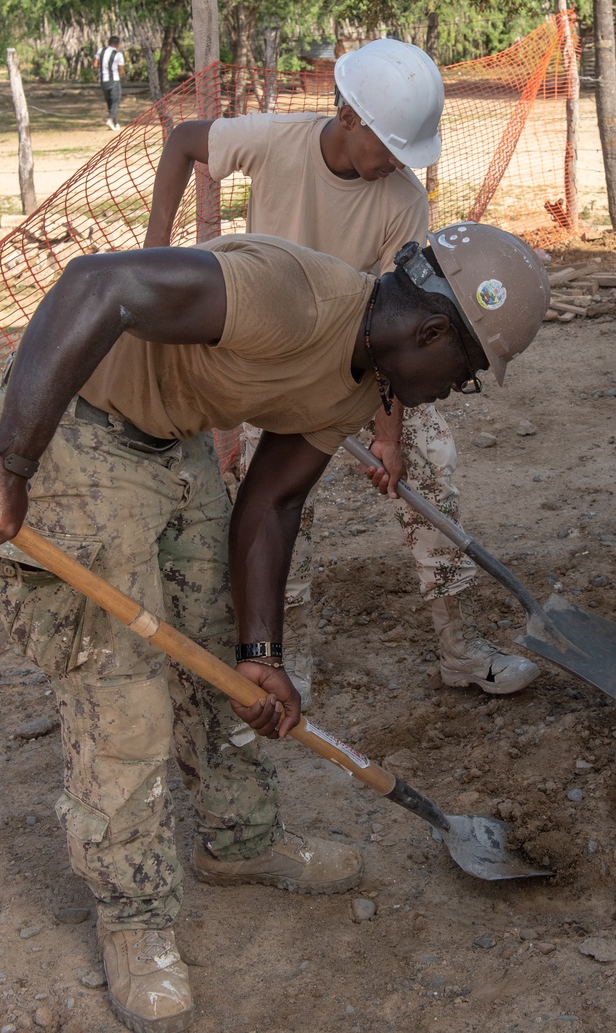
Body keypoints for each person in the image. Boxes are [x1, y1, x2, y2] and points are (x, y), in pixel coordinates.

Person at [0, 222, 549, 1033]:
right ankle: (134, 917)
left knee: (221, 655)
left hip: (172, 442)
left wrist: (262, 654)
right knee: (123, 695)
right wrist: (8, 464)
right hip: (75, 426)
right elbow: (96, 285)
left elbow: (273, 501)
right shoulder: (288, 297)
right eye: (467, 375)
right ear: (433, 332)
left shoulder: (364, 382)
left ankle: (239, 841)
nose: (455, 392)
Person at [144, 38, 540, 697]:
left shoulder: (403, 200)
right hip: (265, 348)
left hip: (362, 353)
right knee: (278, 501)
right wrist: (158, 256)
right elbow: (186, 140)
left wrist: (388, 434)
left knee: (432, 463)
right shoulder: (276, 141)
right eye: (388, 145)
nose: (394, 164)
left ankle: (461, 650)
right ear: (348, 115)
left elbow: (403, 335)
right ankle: (280, 662)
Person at [95, 35, 125, 131]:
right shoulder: (118, 54)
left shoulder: (101, 51)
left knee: (109, 101)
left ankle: (115, 123)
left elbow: (95, 65)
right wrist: (122, 74)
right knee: (115, 101)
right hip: (114, 80)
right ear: (117, 44)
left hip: (103, 80)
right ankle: (111, 120)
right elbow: (121, 69)